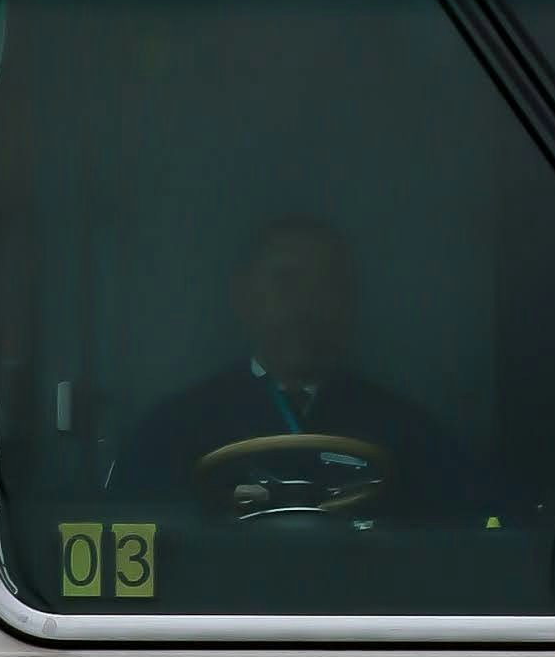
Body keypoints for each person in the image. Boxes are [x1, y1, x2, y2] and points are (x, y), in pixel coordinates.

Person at [108, 213, 472, 520]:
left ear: (349, 303)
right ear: (244, 297)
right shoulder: (175, 428)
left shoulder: (406, 431)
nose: (306, 305)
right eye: (286, 282)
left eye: (326, 285)